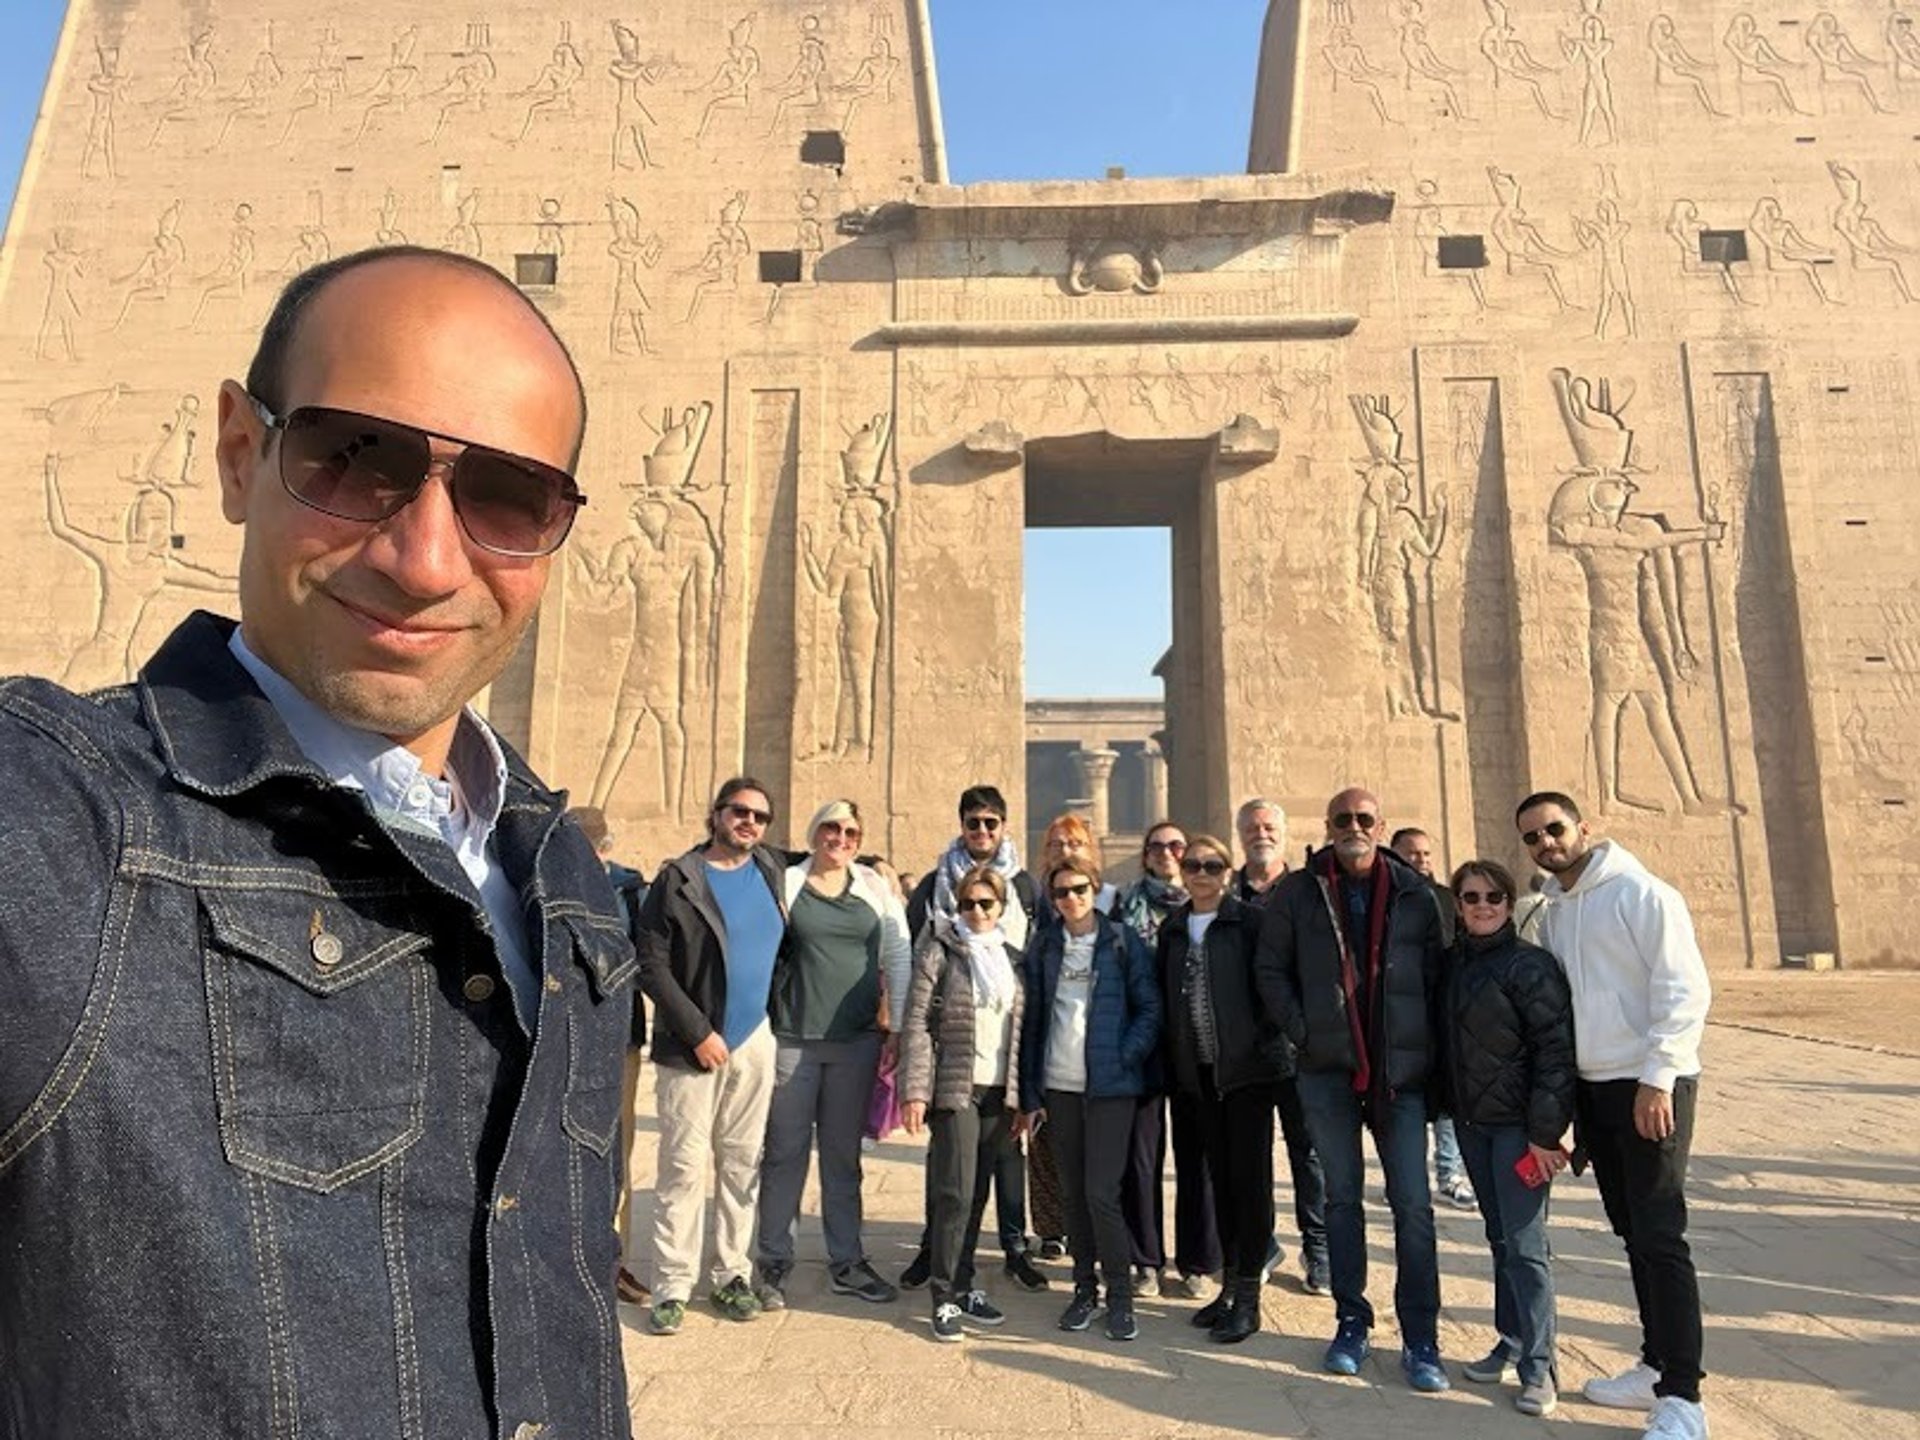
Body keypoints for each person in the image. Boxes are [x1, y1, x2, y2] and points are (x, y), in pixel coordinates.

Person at [0, 246, 638, 1436]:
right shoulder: (58, 818)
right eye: (358, 461)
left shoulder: (568, 883)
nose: (426, 560)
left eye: (505, 499)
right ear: (244, 454)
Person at [1516, 792, 1713, 1440]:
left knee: (1661, 1234)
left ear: (1583, 829)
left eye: (1555, 829)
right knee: (1632, 1232)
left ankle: (1683, 1396)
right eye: (1534, 837)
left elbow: (1682, 989)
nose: (1547, 843)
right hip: (1597, 1090)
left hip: (1649, 1086)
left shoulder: (1642, 894)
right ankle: (1655, 1366)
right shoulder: (1556, 907)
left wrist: (1658, 1078)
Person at [1253, 787, 1453, 1392]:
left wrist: (1430, 1056)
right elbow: (1270, 969)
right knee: (1342, 1199)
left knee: (1413, 1206)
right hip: (1328, 1067)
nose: (1353, 827)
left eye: (1364, 819)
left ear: (1382, 826)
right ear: (1329, 826)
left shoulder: (1417, 896)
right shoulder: (1299, 890)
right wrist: (1305, 1031)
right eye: (1342, 819)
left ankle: (1421, 1335)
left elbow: (1440, 979)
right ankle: (1351, 1320)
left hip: (1398, 1072)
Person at [636, 777, 786, 1335]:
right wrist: (697, 1030)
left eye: (759, 816)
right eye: (739, 811)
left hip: (755, 1040)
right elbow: (650, 962)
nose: (749, 822)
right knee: (683, 1165)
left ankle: (730, 1275)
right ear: (717, 814)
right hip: (693, 1045)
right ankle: (673, 1284)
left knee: (742, 1164)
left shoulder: (770, 871)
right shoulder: (678, 879)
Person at [756, 799, 911, 1309]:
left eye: (850, 831)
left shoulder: (872, 887)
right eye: (831, 828)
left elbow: (898, 954)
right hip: (792, 1040)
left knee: (843, 1159)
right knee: (784, 1155)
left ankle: (847, 1259)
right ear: (814, 831)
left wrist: (901, 1028)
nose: (840, 838)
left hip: (856, 1042)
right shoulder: (787, 881)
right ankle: (774, 1260)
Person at [900, 784, 1048, 1293]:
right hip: (954, 1040)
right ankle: (934, 1249)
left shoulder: (1026, 887)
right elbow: (914, 950)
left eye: (991, 823)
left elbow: (1038, 956)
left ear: (1004, 827)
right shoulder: (933, 884)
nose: (982, 831)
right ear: (961, 826)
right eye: (973, 823)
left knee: (1008, 1154)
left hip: (1007, 1036)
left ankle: (1014, 1245)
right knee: (948, 1162)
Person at [1443, 858, 1577, 1418]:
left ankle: (1541, 1364)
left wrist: (1547, 1134)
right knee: (1499, 1238)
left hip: (1521, 1129)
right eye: (1471, 897)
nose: (1482, 907)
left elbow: (1555, 1054)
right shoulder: (1450, 965)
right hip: (1474, 1124)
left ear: (1508, 903)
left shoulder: (1531, 967)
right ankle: (1514, 1337)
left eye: (1493, 897)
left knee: (1525, 1246)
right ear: (1458, 904)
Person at [1019, 856, 1161, 1343]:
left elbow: (1149, 1009)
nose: (1071, 899)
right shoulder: (1044, 946)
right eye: (1060, 892)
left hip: (1109, 1086)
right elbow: (1034, 1020)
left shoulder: (1122, 941)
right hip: (1060, 1085)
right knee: (1074, 1195)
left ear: (1095, 889)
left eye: (1079, 889)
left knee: (1102, 1193)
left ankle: (1119, 1296)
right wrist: (1030, 1091)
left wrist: (1125, 1056)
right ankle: (1084, 1289)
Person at [1157, 834, 1288, 1344]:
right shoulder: (1172, 929)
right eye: (1194, 865)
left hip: (1248, 1074)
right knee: (1220, 1185)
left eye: (1213, 865)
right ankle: (1230, 1286)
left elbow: (1275, 991)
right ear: (1183, 871)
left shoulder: (1251, 924)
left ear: (1228, 873)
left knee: (1250, 1185)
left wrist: (1271, 1048)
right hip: (1198, 1077)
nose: (1203, 873)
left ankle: (1249, 1295)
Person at [899, 866, 1028, 1341]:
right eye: (968, 904)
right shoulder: (940, 951)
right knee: (953, 1190)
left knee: (977, 1194)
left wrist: (1025, 1098)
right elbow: (916, 1022)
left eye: (985, 904)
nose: (976, 912)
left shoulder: (1013, 959)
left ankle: (964, 1279)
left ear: (1001, 907)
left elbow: (1022, 1033)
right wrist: (914, 1090)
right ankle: (943, 1295)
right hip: (956, 1087)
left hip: (999, 1090)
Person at [1232, 796, 1331, 1298]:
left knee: (1307, 1152)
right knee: (1252, 1156)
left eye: (1269, 826)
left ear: (1284, 832)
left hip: (1301, 1046)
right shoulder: (1226, 894)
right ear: (1240, 834)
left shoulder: (1310, 890)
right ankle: (1263, 1243)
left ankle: (1318, 1245)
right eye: (1251, 827)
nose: (1261, 834)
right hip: (1245, 1047)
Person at [576, 804, 654, 1306]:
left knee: (615, 1149)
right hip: (562, 1032)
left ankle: (613, 1259)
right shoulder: (544, 877)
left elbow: (653, 955)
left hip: (618, 1033)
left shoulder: (630, 890)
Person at [1112, 821, 1189, 1300]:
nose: (1166, 852)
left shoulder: (1206, 903)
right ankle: (1144, 1256)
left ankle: (1200, 1257)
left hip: (1192, 1041)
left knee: (1198, 1157)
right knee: (1140, 1158)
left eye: (1175, 845)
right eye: (1156, 845)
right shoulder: (1123, 905)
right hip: (1142, 1040)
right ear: (1145, 854)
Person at [1392, 825, 1478, 1213]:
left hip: (1441, 1011)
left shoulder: (1447, 898)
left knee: (1446, 1101)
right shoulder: (1386, 896)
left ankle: (1449, 1174)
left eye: (1426, 853)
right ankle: (1406, 1180)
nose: (1421, 860)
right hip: (1397, 1015)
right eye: (1412, 853)